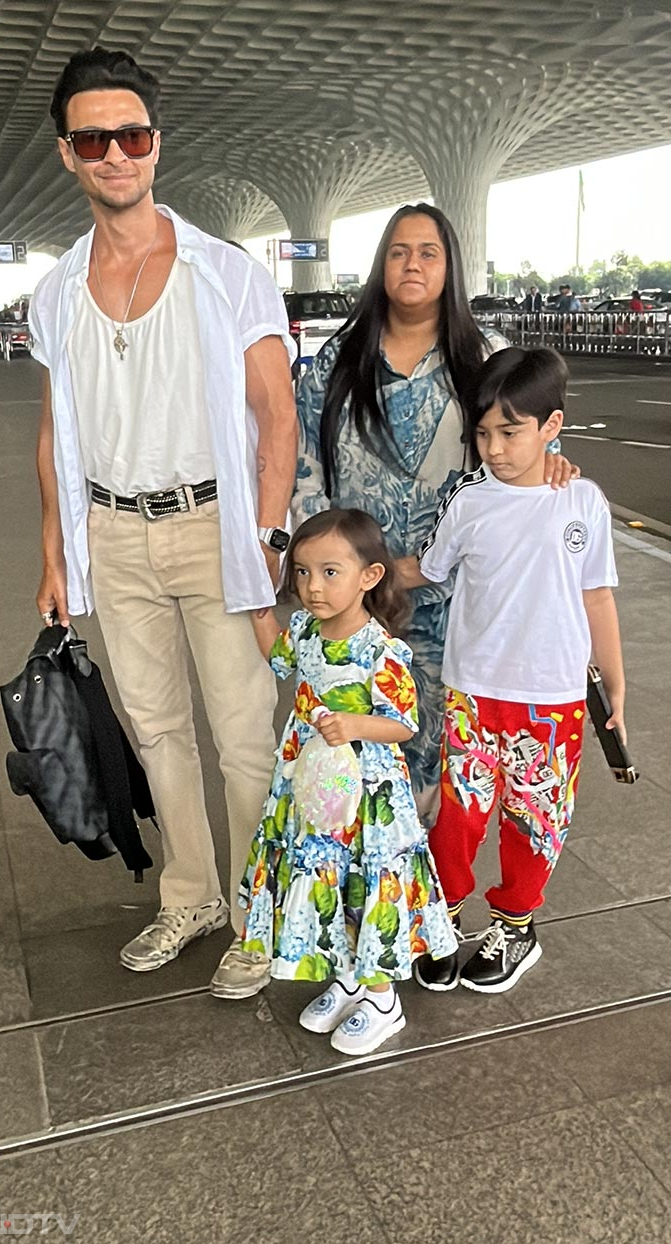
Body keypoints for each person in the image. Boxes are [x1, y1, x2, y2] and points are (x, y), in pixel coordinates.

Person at [29, 47, 298, 974]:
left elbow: (277, 415)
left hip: (213, 526)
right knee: (155, 731)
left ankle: (263, 911)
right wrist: (57, 551)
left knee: (241, 733)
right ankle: (193, 896)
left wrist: (267, 536)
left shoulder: (226, 273)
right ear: (68, 153)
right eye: (94, 138)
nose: (116, 153)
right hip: (112, 531)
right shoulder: (57, 291)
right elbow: (56, 428)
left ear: (156, 146)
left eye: (132, 134)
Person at [293, 202, 576, 821]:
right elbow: (304, 465)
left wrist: (552, 462)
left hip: (456, 601)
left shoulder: (484, 354)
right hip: (357, 598)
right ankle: (359, 883)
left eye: (428, 252)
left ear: (451, 267)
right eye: (398, 251)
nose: (412, 264)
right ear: (379, 266)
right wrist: (320, 568)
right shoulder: (337, 360)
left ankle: (423, 896)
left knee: (441, 745)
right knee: (353, 735)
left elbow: (526, 443)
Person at [397, 346, 625, 993]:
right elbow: (429, 567)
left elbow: (598, 596)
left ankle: (515, 927)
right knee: (459, 816)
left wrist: (615, 680)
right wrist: (367, 573)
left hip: (551, 700)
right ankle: (438, 919)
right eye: (484, 433)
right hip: (474, 692)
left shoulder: (581, 500)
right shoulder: (469, 503)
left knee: (534, 819)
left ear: (551, 427)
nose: (493, 448)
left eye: (510, 431)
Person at [212, 508, 458, 1052]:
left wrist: (354, 725)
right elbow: (278, 654)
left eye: (329, 572)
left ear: (369, 576)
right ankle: (348, 977)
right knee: (329, 878)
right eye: (301, 572)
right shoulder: (302, 629)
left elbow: (404, 722)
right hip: (308, 784)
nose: (312, 587)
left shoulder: (380, 650)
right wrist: (258, 602)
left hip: (365, 797)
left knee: (363, 881)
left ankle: (382, 997)